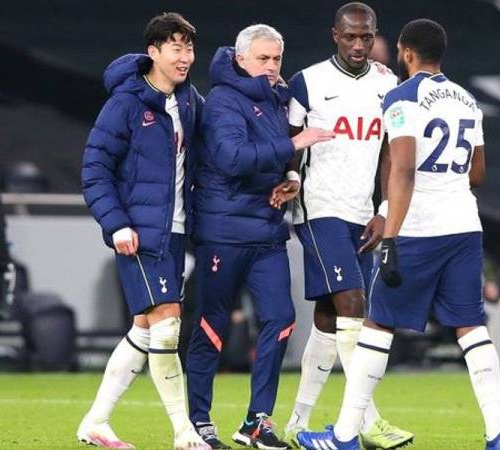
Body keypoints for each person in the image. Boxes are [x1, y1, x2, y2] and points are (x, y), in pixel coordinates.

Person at [297, 18, 500, 450]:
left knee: (376, 325)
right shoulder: (469, 100)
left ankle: (342, 436)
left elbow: (402, 169)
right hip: (465, 227)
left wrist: (391, 235)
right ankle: (498, 433)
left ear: (406, 52)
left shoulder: (401, 97)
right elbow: (479, 172)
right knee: (471, 328)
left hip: (419, 229)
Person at [185, 24, 334, 450]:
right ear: (241, 59)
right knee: (213, 326)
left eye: (276, 59)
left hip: (267, 230)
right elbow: (231, 159)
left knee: (281, 319)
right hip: (224, 232)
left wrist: (289, 177)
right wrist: (294, 146)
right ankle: (199, 421)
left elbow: (274, 154)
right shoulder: (223, 100)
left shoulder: (273, 99)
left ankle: (256, 421)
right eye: (263, 59)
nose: (271, 67)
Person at [278, 3, 414, 449]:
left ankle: (297, 421)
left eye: (366, 37)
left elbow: (391, 152)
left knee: (329, 316)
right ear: (334, 34)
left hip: (362, 212)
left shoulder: (387, 84)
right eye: (350, 36)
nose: (359, 45)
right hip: (319, 209)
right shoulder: (308, 81)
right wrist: (293, 178)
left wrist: (383, 208)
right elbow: (290, 143)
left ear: (375, 35)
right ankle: (365, 422)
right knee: (355, 304)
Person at [79, 12, 209, 450]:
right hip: (138, 231)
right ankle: (183, 432)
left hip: (173, 232)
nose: (185, 57)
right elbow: (95, 168)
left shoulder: (188, 99)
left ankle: (97, 421)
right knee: (168, 326)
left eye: (189, 48)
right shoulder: (126, 102)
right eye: (176, 47)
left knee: (145, 328)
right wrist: (115, 224)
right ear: (153, 52)